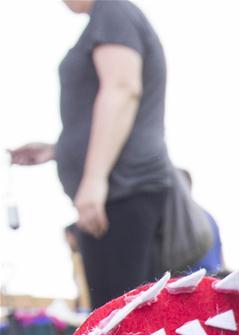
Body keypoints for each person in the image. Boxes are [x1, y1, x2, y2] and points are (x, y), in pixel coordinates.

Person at [9, 0, 170, 308]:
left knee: (118, 322)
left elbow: (122, 89)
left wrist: (94, 179)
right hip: (118, 191)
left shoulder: (112, 11)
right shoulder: (110, 15)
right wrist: (58, 150)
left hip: (122, 191)